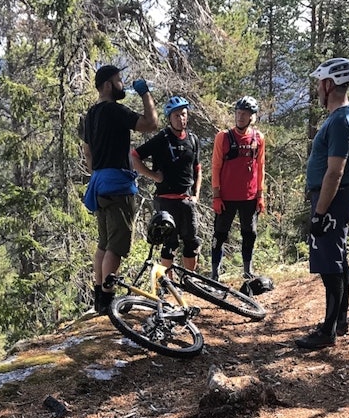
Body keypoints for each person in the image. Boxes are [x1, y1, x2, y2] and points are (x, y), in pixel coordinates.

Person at [295, 57, 349, 350]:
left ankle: (328, 330)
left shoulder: (341, 120)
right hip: (338, 198)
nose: (317, 90)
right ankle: (340, 320)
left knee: (330, 264)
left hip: (332, 200)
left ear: (329, 84)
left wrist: (320, 212)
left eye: (319, 83)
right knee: (338, 257)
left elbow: (335, 171)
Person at [81, 64, 159, 314]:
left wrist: (99, 172)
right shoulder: (114, 111)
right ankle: (107, 299)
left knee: (104, 243)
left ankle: (99, 296)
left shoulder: (90, 115)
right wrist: (146, 94)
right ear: (107, 85)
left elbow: (88, 154)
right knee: (116, 246)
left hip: (99, 184)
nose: (121, 85)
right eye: (118, 81)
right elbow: (150, 124)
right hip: (117, 186)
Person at [129, 95, 202, 271]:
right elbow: (134, 156)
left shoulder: (193, 140)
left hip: (186, 199)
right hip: (165, 200)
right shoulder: (162, 138)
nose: (181, 118)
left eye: (183, 114)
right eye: (176, 115)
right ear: (169, 118)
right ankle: (168, 284)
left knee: (191, 242)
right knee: (169, 243)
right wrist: (154, 176)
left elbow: (198, 169)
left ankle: (190, 281)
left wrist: (196, 195)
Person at [210, 95, 266, 282]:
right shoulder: (223, 137)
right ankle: (215, 273)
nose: (240, 117)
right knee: (220, 234)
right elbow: (216, 165)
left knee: (249, 234)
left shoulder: (258, 138)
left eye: (245, 114)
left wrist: (260, 195)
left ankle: (248, 270)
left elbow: (260, 166)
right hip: (226, 197)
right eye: (238, 113)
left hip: (249, 197)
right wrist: (216, 196)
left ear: (252, 116)